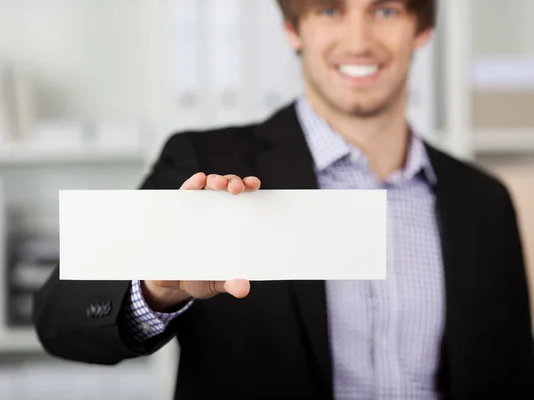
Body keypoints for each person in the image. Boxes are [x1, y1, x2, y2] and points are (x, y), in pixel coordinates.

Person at [33, 0, 534, 398]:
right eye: (329, 10)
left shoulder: (483, 200)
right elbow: (59, 321)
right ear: (293, 29)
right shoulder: (204, 160)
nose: (359, 41)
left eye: (386, 10)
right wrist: (157, 288)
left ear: (421, 29)